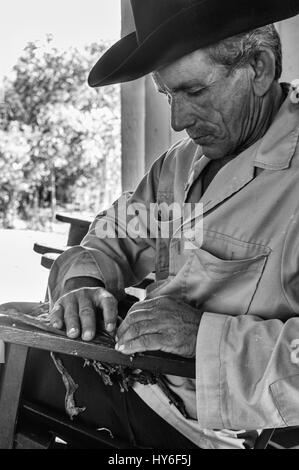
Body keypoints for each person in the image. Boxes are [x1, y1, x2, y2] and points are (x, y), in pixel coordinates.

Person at [30, 0, 299, 449]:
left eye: (194, 92)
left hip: (220, 431)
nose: (178, 120)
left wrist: (204, 336)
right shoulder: (179, 166)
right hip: (140, 384)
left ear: (259, 67)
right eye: (167, 95)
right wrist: (80, 280)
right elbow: (114, 237)